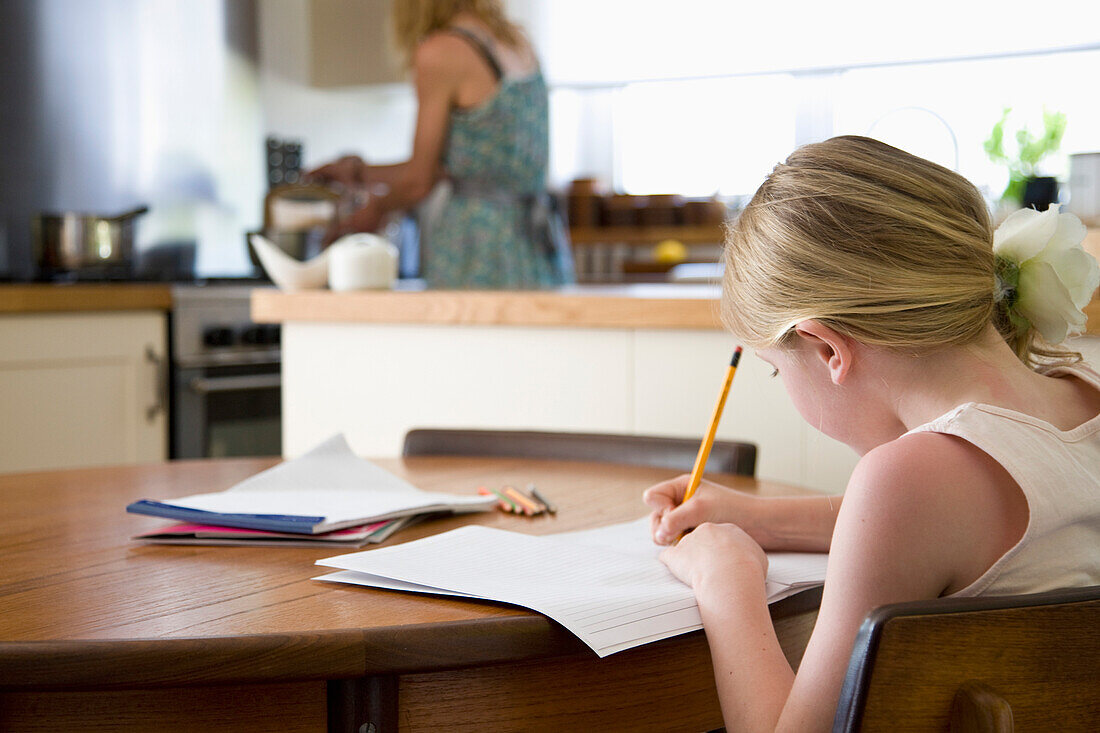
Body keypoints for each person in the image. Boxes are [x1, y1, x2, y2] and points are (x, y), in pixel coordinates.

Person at [644, 135, 1100, 731]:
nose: (783, 384)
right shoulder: (1082, 395)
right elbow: (938, 528)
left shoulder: (909, 479)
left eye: (777, 370)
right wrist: (755, 518)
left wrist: (724, 580)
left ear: (827, 347)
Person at [309, 0, 572, 289]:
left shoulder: (442, 52)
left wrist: (375, 209)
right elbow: (461, 167)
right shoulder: (517, 40)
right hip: (539, 244)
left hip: (479, 247)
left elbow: (419, 182)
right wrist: (358, 173)